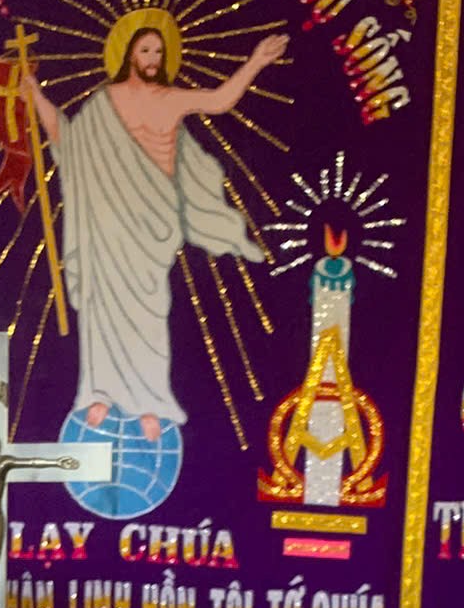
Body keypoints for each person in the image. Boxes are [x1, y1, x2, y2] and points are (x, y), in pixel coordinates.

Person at [26, 24, 286, 442]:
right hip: (108, 221)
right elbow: (69, 142)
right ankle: (100, 392)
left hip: (153, 221)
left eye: (158, 52)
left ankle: (149, 401)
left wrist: (256, 62)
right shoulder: (104, 102)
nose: (152, 59)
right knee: (103, 307)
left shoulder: (171, 99)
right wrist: (37, 98)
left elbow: (220, 100)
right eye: (146, 50)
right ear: (130, 53)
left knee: (149, 309)